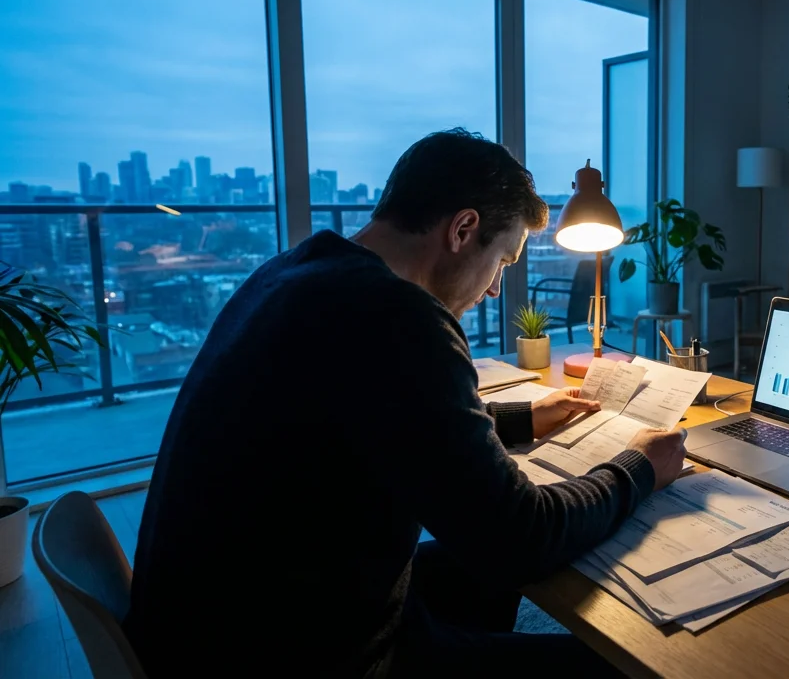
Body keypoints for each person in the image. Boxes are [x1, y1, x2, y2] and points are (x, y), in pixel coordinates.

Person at [124, 128, 686, 677]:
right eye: (504, 262)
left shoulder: (296, 274)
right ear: (464, 229)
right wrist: (638, 468)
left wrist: (518, 417)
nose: (495, 288)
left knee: (479, 577)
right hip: (294, 654)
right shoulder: (400, 318)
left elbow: (370, 416)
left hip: (223, 626)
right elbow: (520, 539)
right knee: (621, 661)